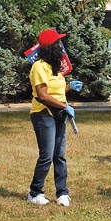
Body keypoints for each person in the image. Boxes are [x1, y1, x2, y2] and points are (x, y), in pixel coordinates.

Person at [26, 28, 76, 207]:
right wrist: (65, 106)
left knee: (59, 155)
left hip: (59, 114)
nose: (61, 47)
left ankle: (62, 192)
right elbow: (43, 95)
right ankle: (35, 192)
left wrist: (70, 87)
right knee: (47, 155)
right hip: (43, 114)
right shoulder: (38, 67)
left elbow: (56, 90)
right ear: (49, 47)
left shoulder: (55, 66)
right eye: (57, 43)